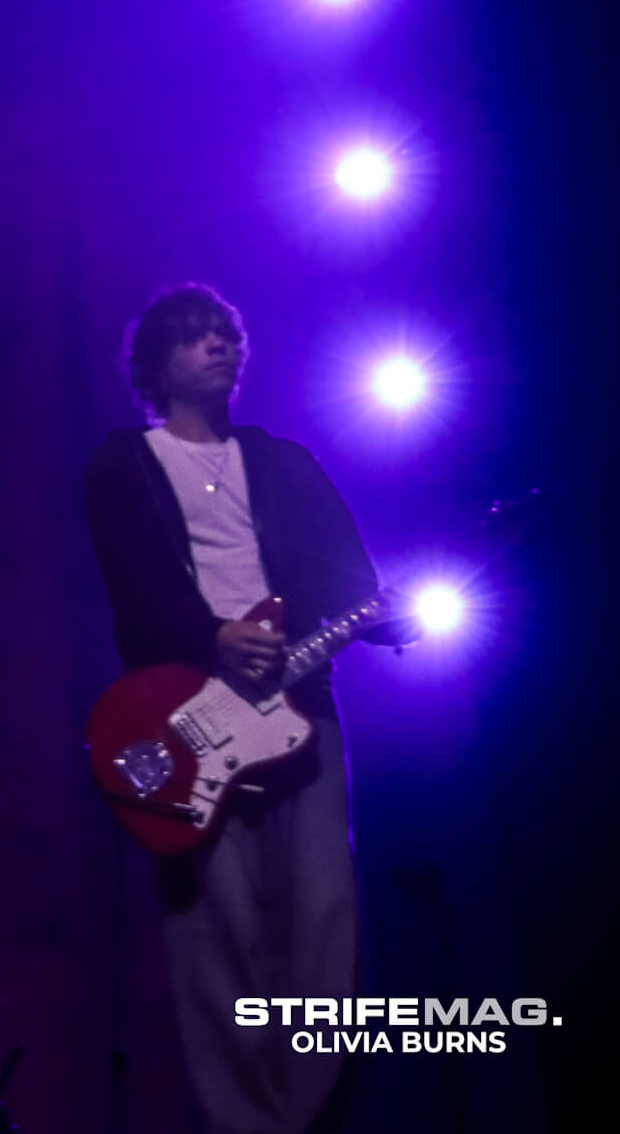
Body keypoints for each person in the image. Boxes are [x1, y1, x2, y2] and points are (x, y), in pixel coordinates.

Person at [83, 283, 414, 1134]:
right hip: (189, 712)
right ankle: (243, 1122)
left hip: (301, 700)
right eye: (194, 338)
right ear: (156, 364)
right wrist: (211, 637)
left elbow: (344, 573)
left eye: (225, 333)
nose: (217, 346)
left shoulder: (282, 461)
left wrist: (386, 620)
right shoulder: (126, 463)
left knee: (324, 913)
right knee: (216, 929)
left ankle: (317, 1112)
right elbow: (130, 589)